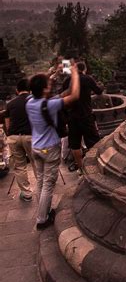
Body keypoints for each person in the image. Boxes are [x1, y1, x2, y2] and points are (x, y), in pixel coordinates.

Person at [26, 62, 80, 229]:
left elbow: (42, 88)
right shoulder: (50, 105)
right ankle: (42, 219)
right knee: (48, 184)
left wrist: (54, 73)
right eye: (48, 85)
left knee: (41, 182)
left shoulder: (29, 102)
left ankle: (44, 211)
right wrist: (75, 73)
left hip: (36, 148)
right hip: (50, 149)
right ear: (43, 89)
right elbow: (74, 95)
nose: (50, 85)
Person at [62, 61, 103, 173]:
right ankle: (94, 165)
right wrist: (100, 85)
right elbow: (98, 91)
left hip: (72, 117)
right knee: (93, 141)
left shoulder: (67, 80)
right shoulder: (87, 78)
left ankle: (81, 168)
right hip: (86, 115)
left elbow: (63, 97)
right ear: (84, 69)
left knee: (75, 144)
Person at [4, 78, 36, 200]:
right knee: (37, 163)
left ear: (17, 91)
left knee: (20, 166)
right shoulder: (35, 101)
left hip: (14, 137)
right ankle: (43, 188)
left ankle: (27, 193)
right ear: (30, 90)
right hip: (31, 136)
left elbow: (7, 124)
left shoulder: (10, 104)